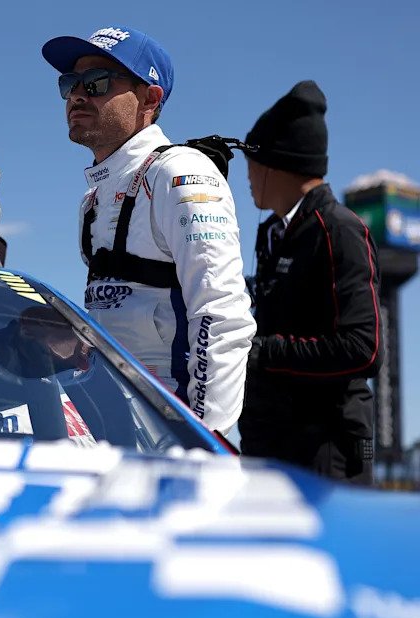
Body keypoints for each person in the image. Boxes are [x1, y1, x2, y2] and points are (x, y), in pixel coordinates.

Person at [41, 25, 256, 435]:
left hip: (173, 429)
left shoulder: (180, 173)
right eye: (69, 83)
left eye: (96, 82)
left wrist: (202, 439)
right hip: (116, 423)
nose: (77, 95)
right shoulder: (92, 199)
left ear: (150, 99)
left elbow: (222, 314)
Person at [239, 80, 382, 483]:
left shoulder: (338, 230)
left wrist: (263, 351)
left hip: (323, 457)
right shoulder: (276, 233)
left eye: (251, 160)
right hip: (274, 450)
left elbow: (364, 349)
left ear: (274, 163)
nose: (247, 174)